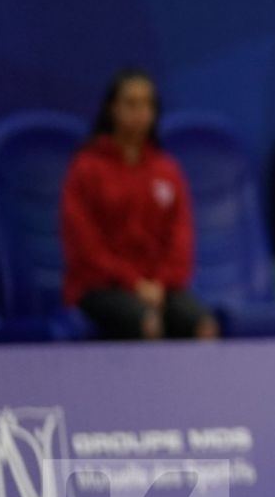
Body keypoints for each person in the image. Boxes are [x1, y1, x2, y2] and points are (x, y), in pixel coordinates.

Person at [61, 70, 218, 342]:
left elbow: (180, 238)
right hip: (100, 287)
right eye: (131, 103)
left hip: (160, 287)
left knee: (203, 326)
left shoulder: (167, 169)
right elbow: (85, 245)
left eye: (147, 104)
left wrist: (160, 283)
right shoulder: (86, 168)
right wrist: (134, 283)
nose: (140, 112)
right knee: (146, 323)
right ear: (112, 109)